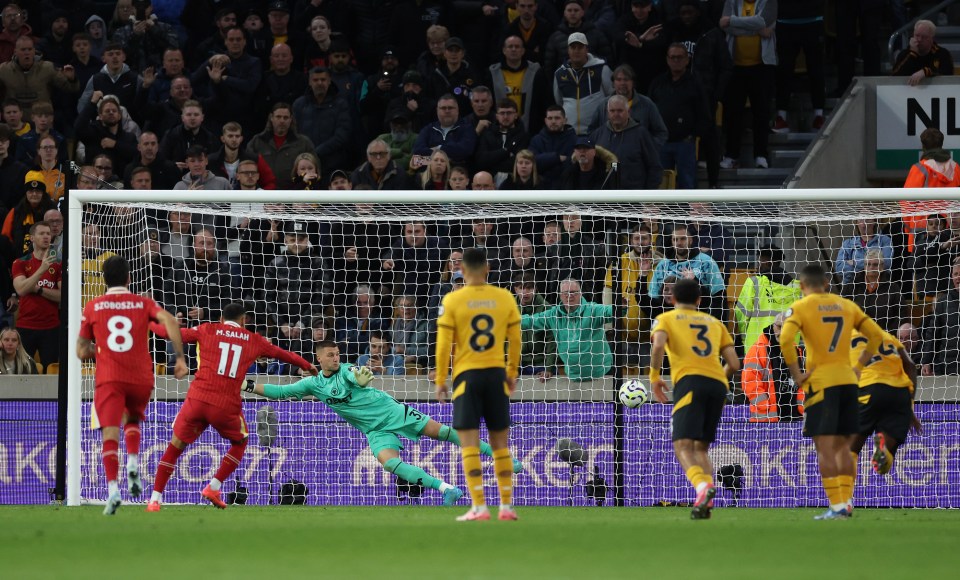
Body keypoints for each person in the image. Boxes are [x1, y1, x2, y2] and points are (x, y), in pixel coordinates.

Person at [249, 340, 521, 506]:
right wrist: (248, 385)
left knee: (445, 433)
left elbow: (356, 375)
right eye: (330, 355)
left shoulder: (346, 370)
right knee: (390, 463)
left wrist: (362, 377)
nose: (336, 358)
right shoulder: (314, 384)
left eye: (337, 353)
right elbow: (282, 392)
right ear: (318, 359)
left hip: (393, 413)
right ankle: (446, 489)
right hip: (375, 430)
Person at [146, 302, 316, 511]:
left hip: (197, 399)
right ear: (244, 320)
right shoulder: (254, 340)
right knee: (241, 441)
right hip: (225, 405)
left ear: (221, 319)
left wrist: (148, 323)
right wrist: (307, 365)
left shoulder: (206, 329)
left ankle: (154, 499)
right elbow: (284, 354)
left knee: (175, 447)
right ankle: (214, 487)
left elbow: (167, 333)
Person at [76, 255, 187, 515]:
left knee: (110, 432)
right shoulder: (142, 302)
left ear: (103, 280)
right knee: (133, 419)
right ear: (129, 278)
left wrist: (99, 350)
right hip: (141, 377)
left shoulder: (93, 306)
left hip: (110, 377)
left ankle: (114, 490)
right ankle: (134, 462)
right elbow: (170, 321)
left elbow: (81, 351)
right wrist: (180, 359)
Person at [779, 263, 885, 519]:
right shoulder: (846, 305)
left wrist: (797, 374)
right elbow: (876, 336)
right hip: (849, 382)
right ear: (826, 283)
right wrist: (859, 366)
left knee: (825, 447)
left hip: (821, 384)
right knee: (845, 447)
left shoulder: (802, 307)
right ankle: (846, 502)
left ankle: (837, 505)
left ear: (802, 286)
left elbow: (784, 338)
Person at [435, 248, 522, 521]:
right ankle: (506, 506)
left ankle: (479, 507)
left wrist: (440, 379)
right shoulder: (504, 297)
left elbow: (443, 344)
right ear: (487, 269)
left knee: (469, 445)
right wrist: (512, 372)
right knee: (500, 445)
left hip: (467, 378)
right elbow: (516, 338)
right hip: (496, 374)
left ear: (461, 270)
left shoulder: (453, 299)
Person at [649, 278, 740, 519]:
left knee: (682, 445)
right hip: (718, 385)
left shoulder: (666, 318)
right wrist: (717, 380)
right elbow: (734, 363)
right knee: (701, 447)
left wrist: (655, 376)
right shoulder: (714, 322)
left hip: (690, 382)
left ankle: (702, 487)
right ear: (699, 300)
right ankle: (705, 503)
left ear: (673, 299)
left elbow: (658, 345)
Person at [849, 328, 921, 487]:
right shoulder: (887, 337)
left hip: (869, 389)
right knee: (883, 465)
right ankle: (883, 449)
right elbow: (910, 366)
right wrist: (909, 406)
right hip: (899, 393)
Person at [719, 0, 777, 170]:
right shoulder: (731, 2)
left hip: (762, 67)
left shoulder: (770, 2)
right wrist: (757, 29)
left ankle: (761, 155)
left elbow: (763, 22)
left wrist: (733, 21)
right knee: (733, 113)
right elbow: (724, 26)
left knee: (761, 112)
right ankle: (731, 155)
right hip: (736, 67)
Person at [521, 278, 612, 380]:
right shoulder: (553, 315)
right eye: (566, 293)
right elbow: (530, 321)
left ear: (580, 293)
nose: (569, 295)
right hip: (572, 377)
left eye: (573, 292)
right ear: (560, 295)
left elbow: (610, 311)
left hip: (602, 375)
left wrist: (621, 307)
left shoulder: (593, 310)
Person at [11, 220, 60, 368]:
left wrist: (37, 289)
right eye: (41, 233)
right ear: (32, 238)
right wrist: (41, 270)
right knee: (23, 370)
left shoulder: (58, 264)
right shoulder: (20, 262)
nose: (46, 236)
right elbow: (21, 289)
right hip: (25, 326)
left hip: (51, 327)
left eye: (48, 233)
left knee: (51, 369)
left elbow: (62, 296)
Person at [734, 245, 801, 351]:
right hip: (789, 345)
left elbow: (741, 314)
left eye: (760, 262)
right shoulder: (797, 288)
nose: (757, 267)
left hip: (757, 346)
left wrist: (744, 338)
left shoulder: (753, 282)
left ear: (768, 263)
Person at [742, 312, 804, 422]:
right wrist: (765, 406)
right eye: (779, 327)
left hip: (793, 418)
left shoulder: (795, 350)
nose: (781, 332)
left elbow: (801, 383)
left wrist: (801, 408)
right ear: (773, 325)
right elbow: (749, 382)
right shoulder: (758, 349)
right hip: (766, 421)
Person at [552, 32, 612, 136]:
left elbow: (611, 96)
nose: (576, 51)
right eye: (573, 47)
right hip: (569, 133)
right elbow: (559, 102)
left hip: (597, 132)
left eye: (580, 47)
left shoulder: (601, 68)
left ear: (587, 50)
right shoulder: (559, 73)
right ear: (568, 50)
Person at [841, 248, 906, 334]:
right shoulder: (852, 286)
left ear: (882, 267)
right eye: (868, 264)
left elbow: (902, 315)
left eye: (875, 264)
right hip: (856, 337)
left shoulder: (893, 288)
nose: (871, 267)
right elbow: (841, 310)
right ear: (864, 266)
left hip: (885, 336)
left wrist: (887, 334)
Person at [921, 258, 960, 376]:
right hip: (949, 365)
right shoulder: (942, 303)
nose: (958, 277)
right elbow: (932, 334)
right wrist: (926, 361)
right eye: (956, 274)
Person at [891, 19, 954, 86]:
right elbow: (894, 77)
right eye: (917, 35)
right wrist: (912, 54)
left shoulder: (943, 54)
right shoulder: (904, 54)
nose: (919, 40)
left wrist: (926, 72)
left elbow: (948, 76)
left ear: (932, 39)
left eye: (924, 37)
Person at [835, 219, 894, 285]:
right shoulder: (848, 243)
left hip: (878, 286)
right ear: (856, 223)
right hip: (852, 286)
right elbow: (839, 268)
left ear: (874, 221)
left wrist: (854, 262)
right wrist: (872, 263)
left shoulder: (884, 240)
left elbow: (886, 264)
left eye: (867, 220)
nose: (863, 224)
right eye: (860, 220)